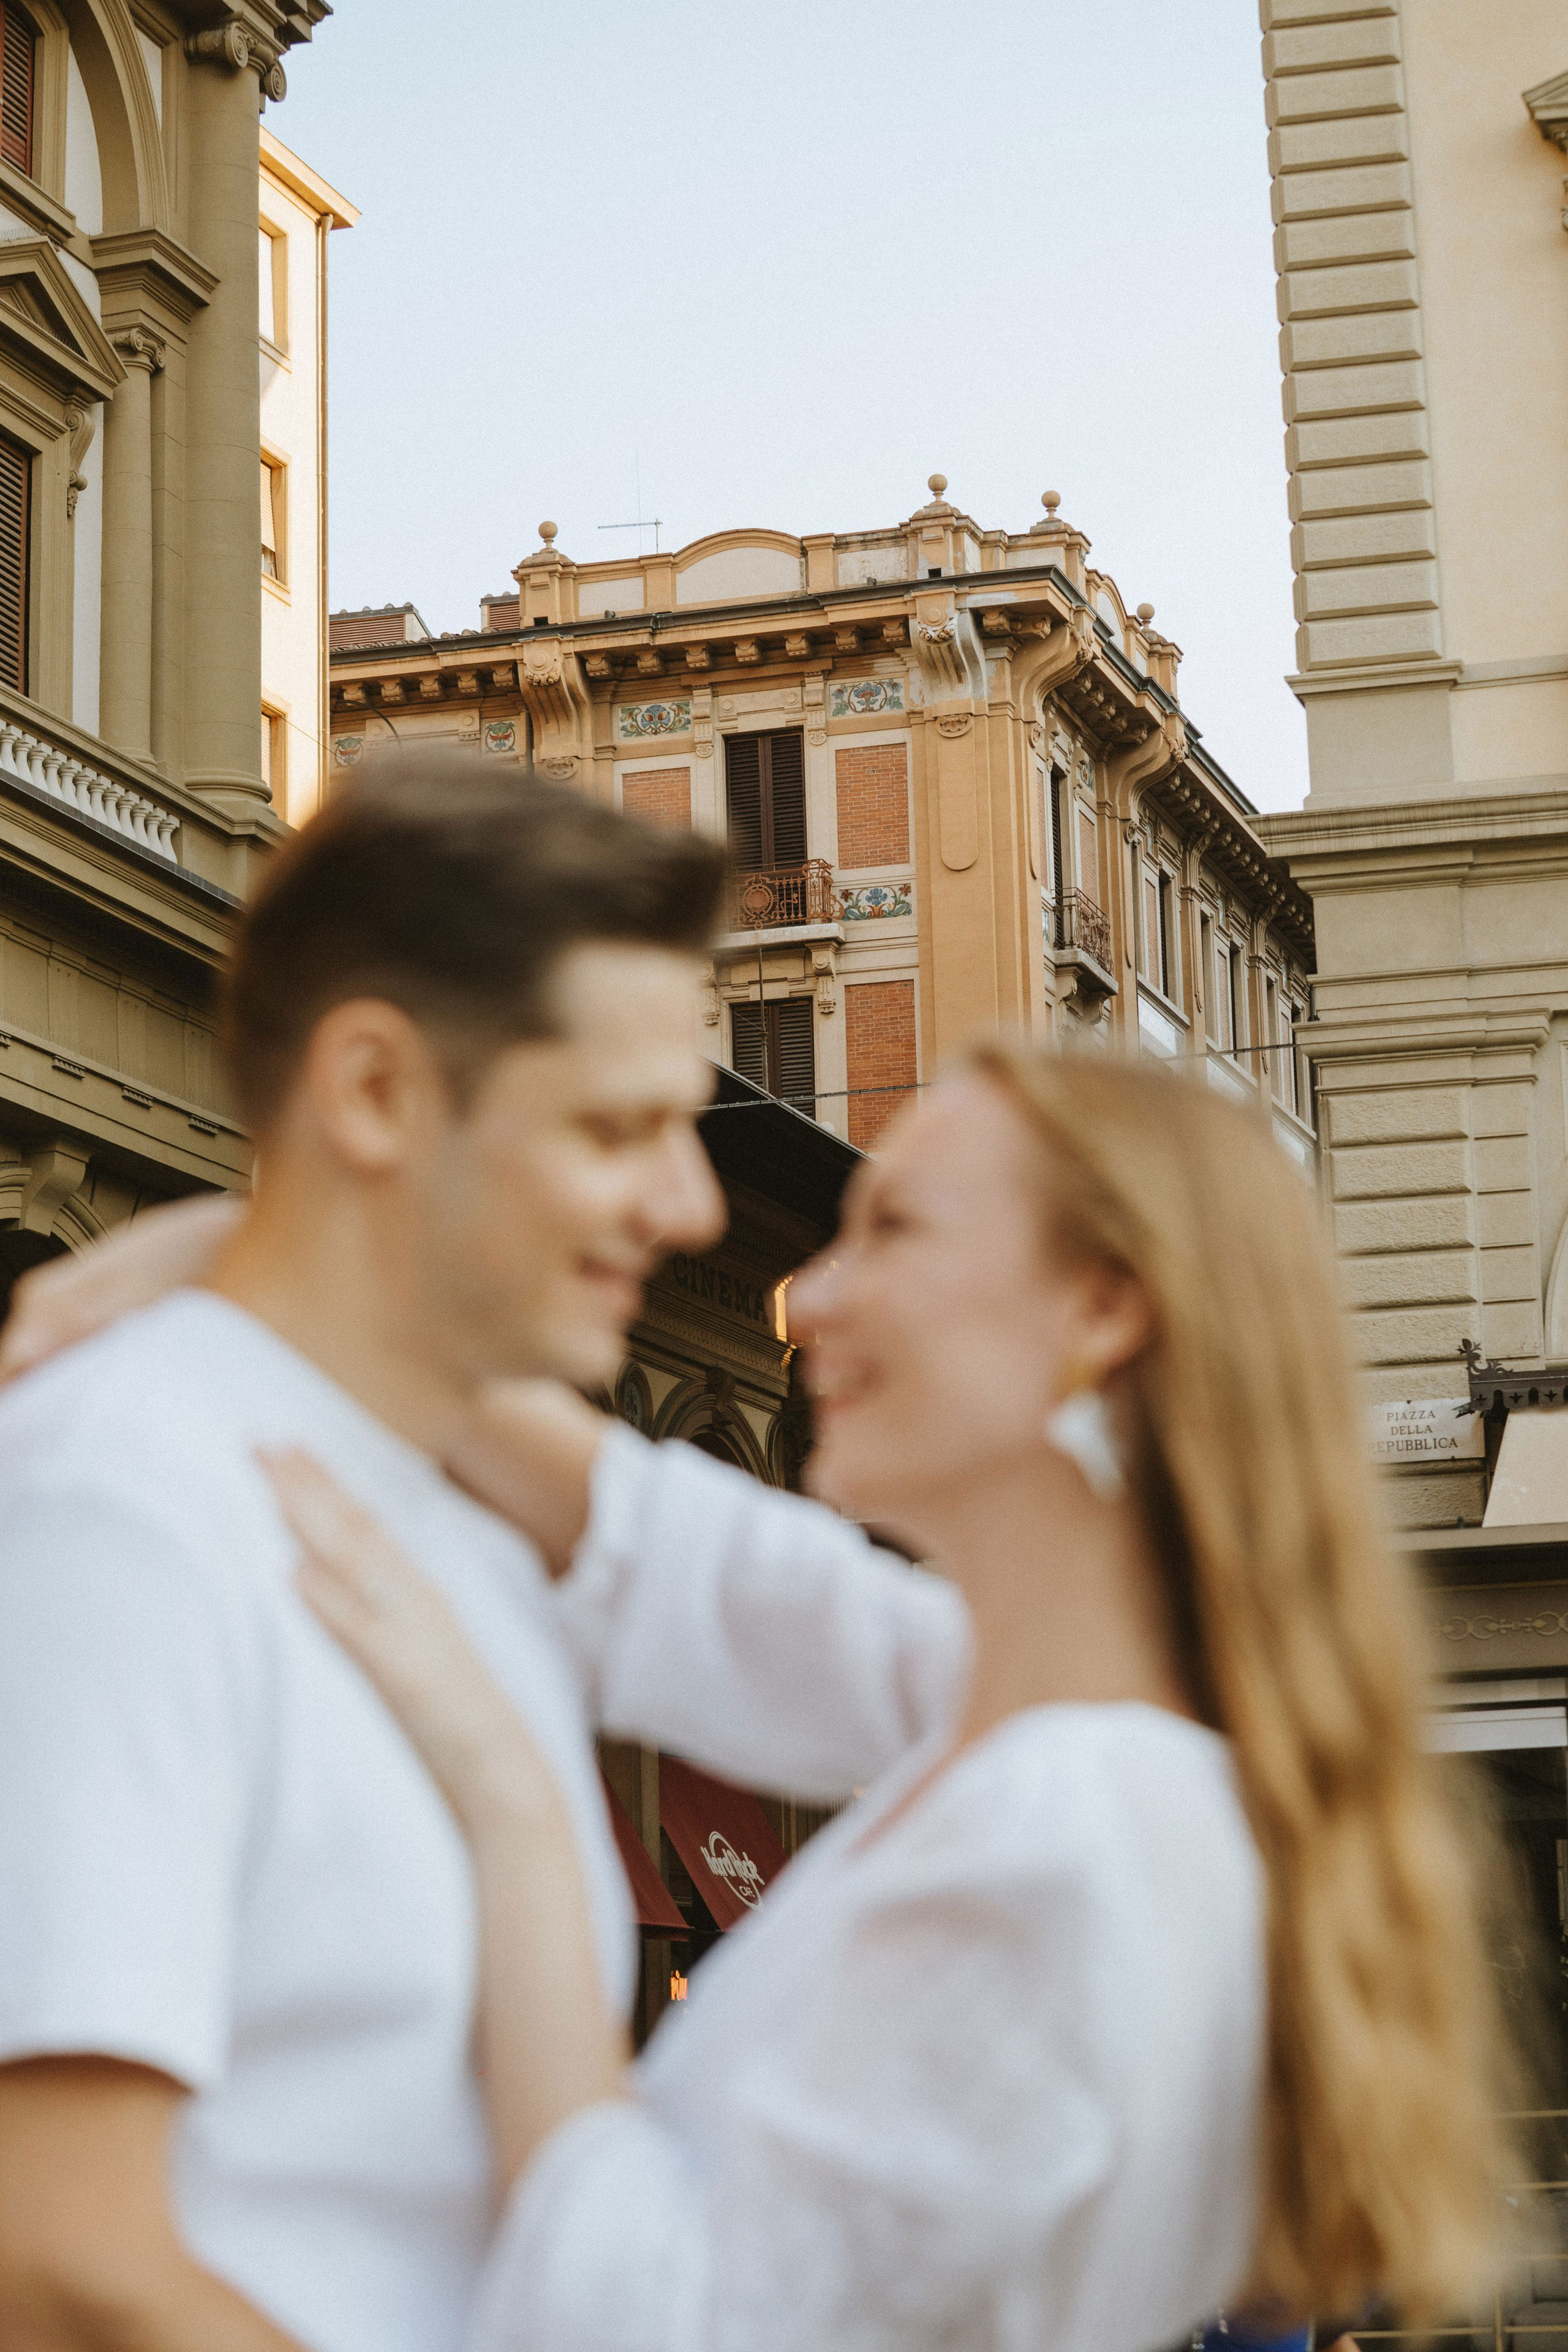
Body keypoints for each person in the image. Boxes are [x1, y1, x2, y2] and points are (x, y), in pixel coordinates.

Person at [244, 1047, 1521, 2352]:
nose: (809, 1296)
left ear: (1098, 1310)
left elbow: (644, 2325)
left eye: (892, 1231)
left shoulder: (1062, 1828)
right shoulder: (1061, 1734)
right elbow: (704, 1571)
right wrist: (262, 1283)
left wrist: (509, 1808)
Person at [0, 753, 968, 2352]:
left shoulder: (457, 1534)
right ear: (376, 1092)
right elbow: (59, 2260)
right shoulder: (123, 1498)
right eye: (616, 1127)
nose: (691, 1209)